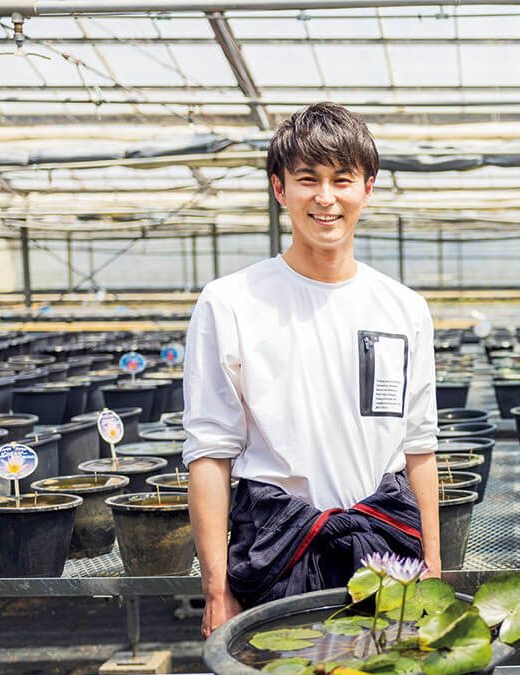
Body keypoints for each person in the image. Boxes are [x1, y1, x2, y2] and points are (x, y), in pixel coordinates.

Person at [183, 102, 441, 639]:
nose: (325, 198)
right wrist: (215, 588)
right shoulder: (231, 302)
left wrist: (432, 572)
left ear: (368, 187)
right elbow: (210, 450)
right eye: (307, 179)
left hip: (382, 551)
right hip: (278, 550)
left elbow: (418, 448)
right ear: (280, 189)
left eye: (342, 179)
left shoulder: (402, 308)